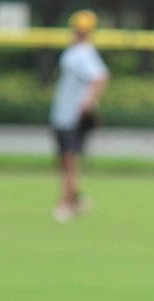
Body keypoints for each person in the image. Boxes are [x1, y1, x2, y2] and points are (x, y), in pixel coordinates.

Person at [49, 9, 109, 223]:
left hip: (72, 117)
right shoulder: (75, 51)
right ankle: (75, 199)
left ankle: (65, 203)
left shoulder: (83, 53)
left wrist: (88, 103)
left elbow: (100, 77)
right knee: (64, 160)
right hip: (62, 114)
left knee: (69, 160)